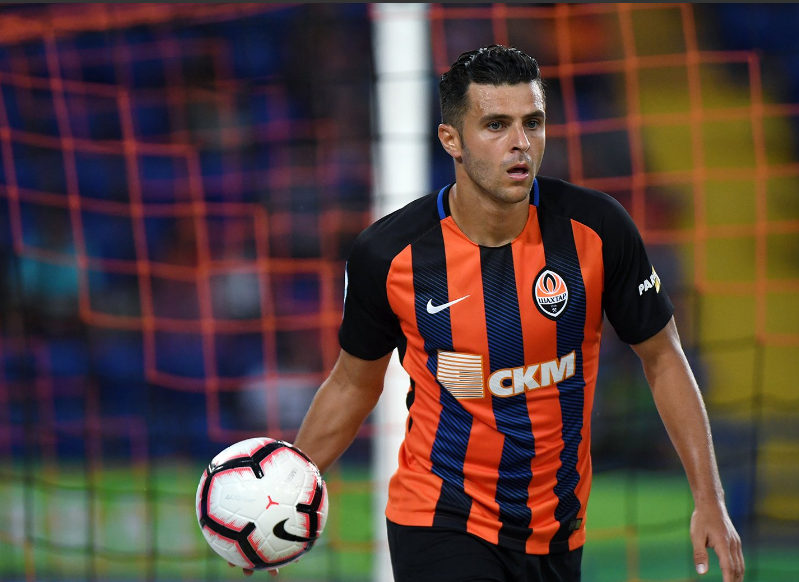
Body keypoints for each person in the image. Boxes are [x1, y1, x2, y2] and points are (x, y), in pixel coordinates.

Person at [292, 45, 744, 582]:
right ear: (451, 140)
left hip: (557, 530)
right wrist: (288, 493)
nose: (520, 143)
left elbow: (663, 357)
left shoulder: (599, 230)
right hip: (439, 518)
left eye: (532, 122)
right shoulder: (388, 254)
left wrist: (709, 497)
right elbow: (352, 383)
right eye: (496, 125)